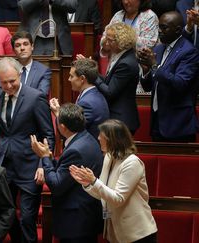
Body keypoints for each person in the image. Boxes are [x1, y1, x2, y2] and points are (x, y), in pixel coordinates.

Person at [0, 57, 55, 243]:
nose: (8, 86)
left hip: (30, 166)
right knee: (5, 214)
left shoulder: (35, 97)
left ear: (20, 75)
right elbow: (1, 132)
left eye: (12, 81)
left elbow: (48, 134)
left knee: (27, 218)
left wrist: (42, 163)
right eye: (4, 82)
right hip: (5, 166)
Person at [70, 119, 158, 243]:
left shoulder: (132, 163)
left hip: (137, 234)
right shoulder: (109, 157)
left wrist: (94, 181)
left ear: (112, 139)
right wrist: (87, 183)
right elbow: (103, 194)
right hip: (115, 232)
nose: (98, 138)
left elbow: (118, 198)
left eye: (102, 135)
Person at [31, 103, 103, 243]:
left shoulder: (76, 149)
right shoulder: (86, 138)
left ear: (62, 127)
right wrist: (51, 158)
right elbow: (65, 170)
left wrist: (44, 157)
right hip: (84, 215)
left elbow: (56, 184)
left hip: (76, 221)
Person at [138, 11, 199, 142]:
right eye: (159, 26)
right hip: (157, 122)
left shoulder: (189, 52)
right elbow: (148, 87)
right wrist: (146, 70)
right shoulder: (159, 49)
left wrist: (154, 66)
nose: (159, 31)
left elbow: (180, 83)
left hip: (178, 125)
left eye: (164, 27)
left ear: (177, 30)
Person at [93, 23, 140, 134]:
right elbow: (109, 82)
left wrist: (93, 76)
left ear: (121, 42)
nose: (106, 43)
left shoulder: (126, 63)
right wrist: (93, 70)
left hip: (122, 121)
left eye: (110, 40)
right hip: (118, 118)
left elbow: (110, 91)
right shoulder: (121, 56)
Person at [51, 58, 109, 140]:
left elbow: (71, 131)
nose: (69, 79)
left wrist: (57, 113)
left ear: (82, 79)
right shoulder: (93, 95)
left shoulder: (87, 103)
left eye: (71, 76)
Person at [0, 31, 52, 96]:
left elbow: (41, 95)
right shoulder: (4, 67)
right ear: (13, 50)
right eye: (18, 46)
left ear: (32, 47)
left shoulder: (43, 71)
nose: (22, 48)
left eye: (25, 44)